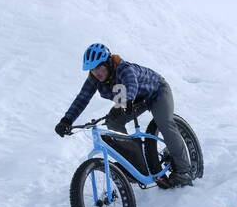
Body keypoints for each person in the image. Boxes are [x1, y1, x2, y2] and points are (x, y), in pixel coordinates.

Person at [55, 43, 193, 188]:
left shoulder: (123, 68)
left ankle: (184, 171)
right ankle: (137, 165)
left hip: (157, 91)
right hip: (134, 100)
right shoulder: (94, 79)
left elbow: (130, 82)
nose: (96, 72)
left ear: (107, 63)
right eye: (92, 69)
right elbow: (81, 99)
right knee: (113, 123)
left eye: (98, 67)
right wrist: (66, 120)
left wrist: (128, 100)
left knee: (164, 122)